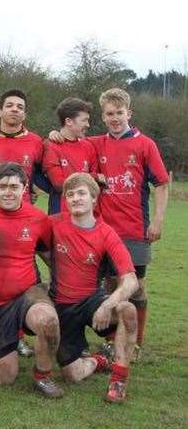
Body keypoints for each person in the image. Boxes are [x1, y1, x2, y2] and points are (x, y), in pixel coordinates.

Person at [49, 88, 169, 358]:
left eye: (119, 113)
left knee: (136, 285)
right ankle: (111, 340)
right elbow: (70, 139)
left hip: (135, 228)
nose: (114, 118)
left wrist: (158, 220)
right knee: (107, 285)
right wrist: (55, 135)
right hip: (100, 228)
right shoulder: (95, 143)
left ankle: (134, 343)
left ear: (129, 113)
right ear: (103, 117)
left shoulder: (145, 144)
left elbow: (161, 183)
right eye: (109, 114)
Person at [0, 162, 63, 398]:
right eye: (3, 186)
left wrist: (63, 287)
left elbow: (49, 255)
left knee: (48, 321)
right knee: (4, 378)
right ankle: (0, 347)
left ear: (25, 188)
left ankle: (43, 377)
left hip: (28, 293)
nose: (9, 191)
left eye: (14, 187)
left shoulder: (38, 218)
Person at [0, 88, 51, 357]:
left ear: (25, 113)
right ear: (0, 111)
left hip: (27, 222)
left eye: (20, 106)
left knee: (25, 276)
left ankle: (20, 334)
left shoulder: (37, 142)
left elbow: (45, 178)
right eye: (9, 105)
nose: (14, 109)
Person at [50, 173, 138, 403]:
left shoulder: (106, 233)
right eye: (70, 195)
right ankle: (100, 360)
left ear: (94, 199)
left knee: (127, 309)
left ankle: (119, 379)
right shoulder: (53, 224)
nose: (75, 199)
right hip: (63, 306)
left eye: (81, 193)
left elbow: (131, 280)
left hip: (92, 301)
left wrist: (108, 305)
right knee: (72, 375)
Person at [42, 97, 100, 214]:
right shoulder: (50, 146)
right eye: (84, 120)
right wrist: (94, 177)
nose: (88, 125)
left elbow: (95, 185)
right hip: (61, 214)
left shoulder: (88, 146)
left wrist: (95, 178)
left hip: (87, 216)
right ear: (68, 121)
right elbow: (59, 184)